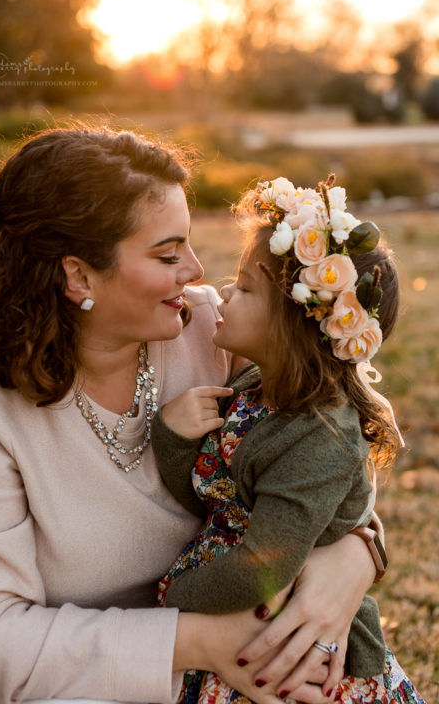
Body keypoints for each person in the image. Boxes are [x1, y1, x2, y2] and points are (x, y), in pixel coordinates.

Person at [0, 127, 387, 704]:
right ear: (79, 276)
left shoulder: (209, 330)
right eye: (168, 254)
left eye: (189, 246)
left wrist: (356, 558)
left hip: (221, 669)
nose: (196, 271)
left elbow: (326, 453)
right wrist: (201, 640)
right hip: (68, 678)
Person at [153, 176, 423, 703]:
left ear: (295, 325)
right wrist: (174, 439)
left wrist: (171, 601)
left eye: (246, 289)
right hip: (233, 612)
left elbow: (266, 566)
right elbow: (211, 499)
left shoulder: (322, 436)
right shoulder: (254, 389)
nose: (225, 293)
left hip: (288, 642)